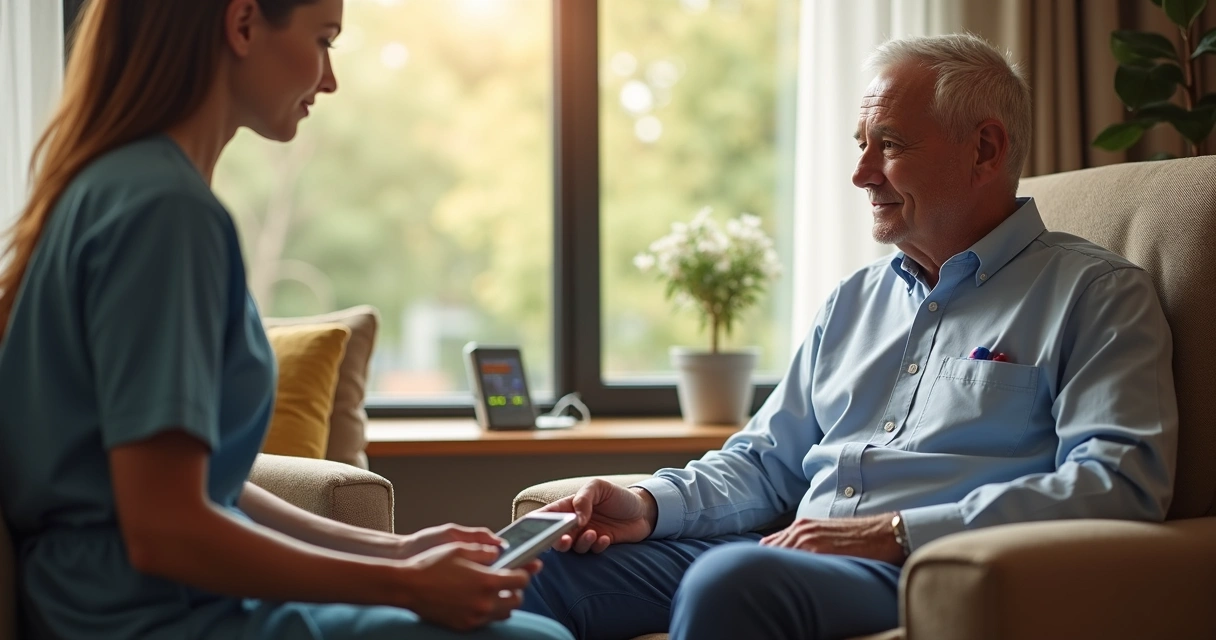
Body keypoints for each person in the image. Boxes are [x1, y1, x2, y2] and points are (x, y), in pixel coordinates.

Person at [518, 33, 1179, 640]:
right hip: (786, 552)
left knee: (732, 584)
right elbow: (763, 463)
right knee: (529, 566)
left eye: (888, 146)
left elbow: (1118, 483)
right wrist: (645, 503)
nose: (862, 174)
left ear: (985, 148)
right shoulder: (853, 301)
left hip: (919, 567)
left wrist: (894, 532)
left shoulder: (1095, 293)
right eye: (860, 143)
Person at [0, 1, 572, 639]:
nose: (329, 79)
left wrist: (398, 550)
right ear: (243, 24)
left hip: (124, 600)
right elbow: (164, 528)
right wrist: (407, 586)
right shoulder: (165, 215)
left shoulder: (118, 187)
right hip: (151, 617)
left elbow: (205, 485)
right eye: (323, 40)